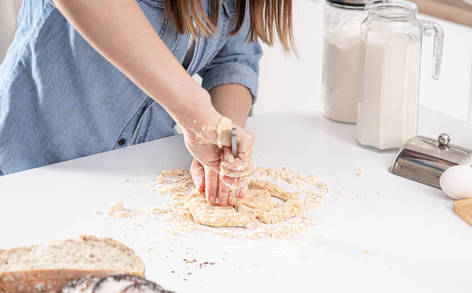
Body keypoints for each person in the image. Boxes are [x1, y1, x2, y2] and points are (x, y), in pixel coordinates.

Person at [0, 0, 294, 206]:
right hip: (32, 168)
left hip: (137, 176)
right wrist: (194, 111)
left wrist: (223, 137)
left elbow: (233, 58)